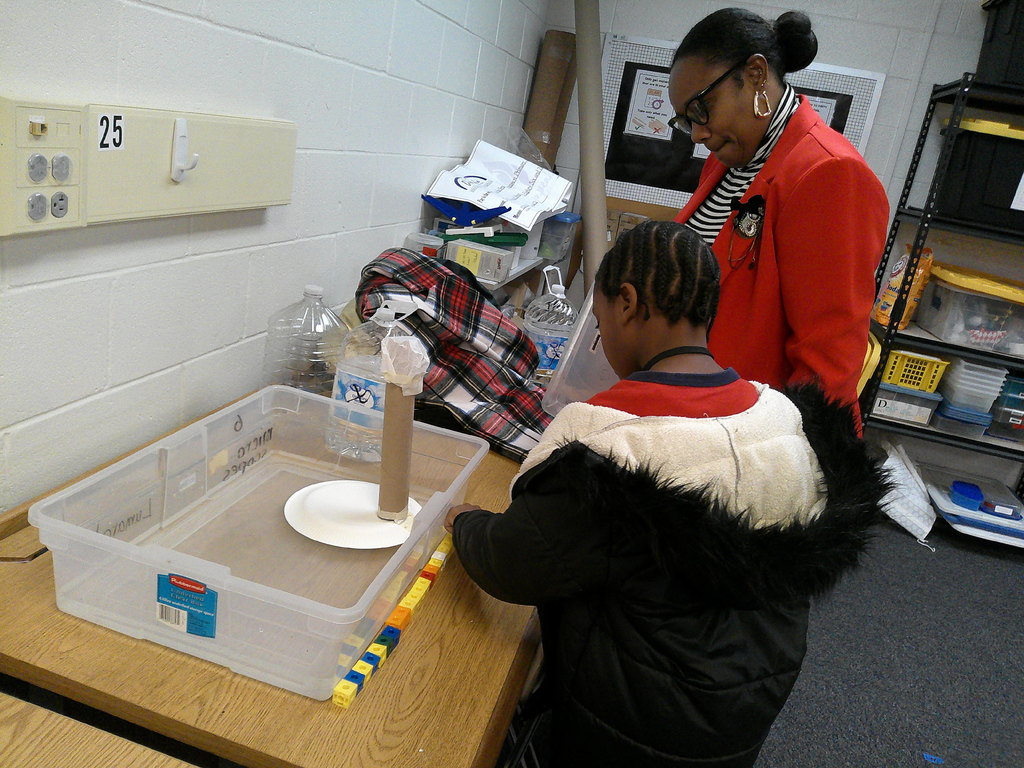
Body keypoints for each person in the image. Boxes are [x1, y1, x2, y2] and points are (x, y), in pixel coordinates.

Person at [445, 221, 889, 768]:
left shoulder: (610, 448)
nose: (600, 339)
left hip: (631, 726)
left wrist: (464, 520)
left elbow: (509, 561)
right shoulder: (780, 420)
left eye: (600, 322)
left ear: (626, 304)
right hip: (744, 708)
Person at [668, 8, 889, 415]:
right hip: (689, 406)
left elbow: (829, 360)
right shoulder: (728, 161)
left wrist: (790, 459)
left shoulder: (829, 173)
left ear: (755, 74)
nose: (697, 134)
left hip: (745, 431)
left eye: (701, 109)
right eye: (685, 121)